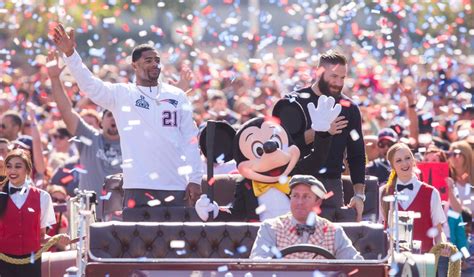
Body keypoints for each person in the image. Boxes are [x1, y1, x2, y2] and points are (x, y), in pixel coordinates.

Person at [52, 24, 203, 207]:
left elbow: (190, 139)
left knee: (178, 236)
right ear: (135, 65)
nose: (155, 64)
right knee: (140, 236)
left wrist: (195, 178)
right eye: (148, 60)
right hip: (138, 186)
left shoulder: (177, 95)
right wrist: (71, 55)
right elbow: (90, 86)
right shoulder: (123, 94)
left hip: (176, 184)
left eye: (157, 60)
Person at [288, 49, 365, 221]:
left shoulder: (349, 109)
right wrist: (320, 130)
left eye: (342, 77)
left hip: (331, 185)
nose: (338, 82)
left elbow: (357, 154)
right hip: (296, 183)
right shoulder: (294, 102)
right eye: (333, 76)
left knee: (331, 242)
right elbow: (287, 145)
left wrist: (359, 195)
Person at [46, 51, 122, 218]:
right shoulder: (89, 138)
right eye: (109, 114)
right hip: (88, 218)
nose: (114, 119)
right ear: (101, 121)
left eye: (118, 115)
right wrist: (54, 79)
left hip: (122, 222)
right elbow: (66, 110)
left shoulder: (134, 143)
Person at [250, 174, 363, 259]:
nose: (299, 202)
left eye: (306, 197)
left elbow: (357, 265)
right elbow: (257, 263)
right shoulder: (270, 228)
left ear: (318, 202)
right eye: (295, 196)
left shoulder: (334, 231)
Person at [0, 149, 69, 277]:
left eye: (18, 166)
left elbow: (41, 237)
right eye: (9, 166)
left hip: (32, 263)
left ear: (27, 170)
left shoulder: (43, 197)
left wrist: (58, 238)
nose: (12, 171)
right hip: (3, 264)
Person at [380, 143, 446, 253]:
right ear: (392, 165)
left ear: (413, 160)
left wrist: (443, 246)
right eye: (398, 160)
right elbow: (380, 228)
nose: (405, 163)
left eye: (407, 158)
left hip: (425, 262)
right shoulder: (383, 192)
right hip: (393, 262)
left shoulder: (431, 192)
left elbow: (438, 231)